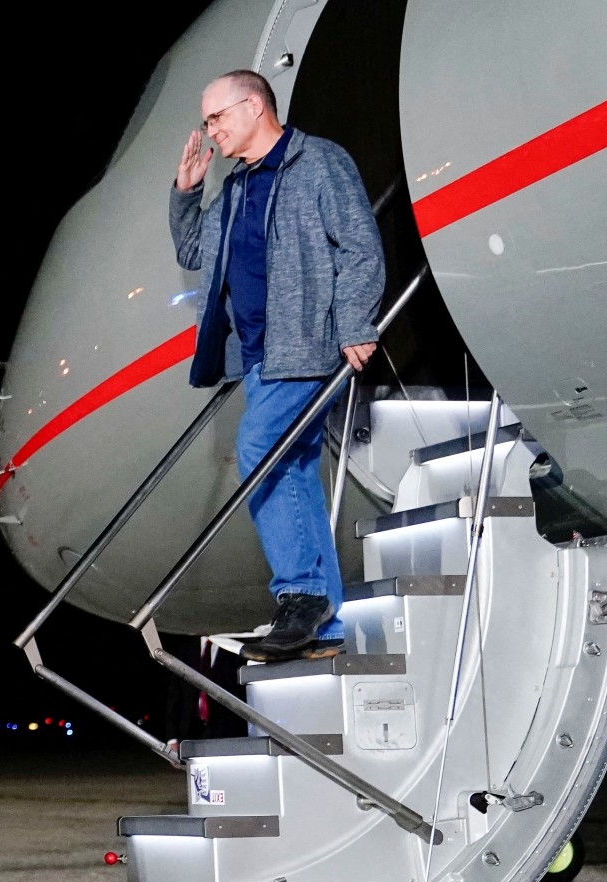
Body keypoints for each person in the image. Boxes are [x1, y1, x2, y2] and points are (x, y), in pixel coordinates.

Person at [168, 69, 385, 662]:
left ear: (255, 106)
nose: (210, 131)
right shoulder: (236, 187)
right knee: (290, 471)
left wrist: (356, 323)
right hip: (258, 356)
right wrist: (187, 193)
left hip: (306, 345)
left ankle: (301, 595)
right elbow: (195, 253)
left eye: (217, 117)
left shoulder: (317, 163)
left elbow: (360, 244)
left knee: (259, 447)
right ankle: (325, 624)